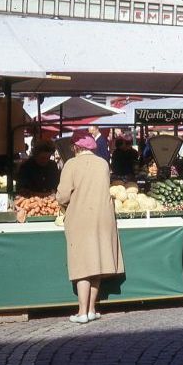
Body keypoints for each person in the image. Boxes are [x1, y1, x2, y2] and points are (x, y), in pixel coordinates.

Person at [56, 130, 124, 324]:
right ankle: (92, 309)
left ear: (76, 146)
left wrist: (60, 203)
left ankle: (81, 312)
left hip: (80, 219)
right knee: (97, 264)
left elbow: (63, 196)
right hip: (103, 218)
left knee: (82, 267)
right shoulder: (103, 163)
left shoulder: (71, 164)